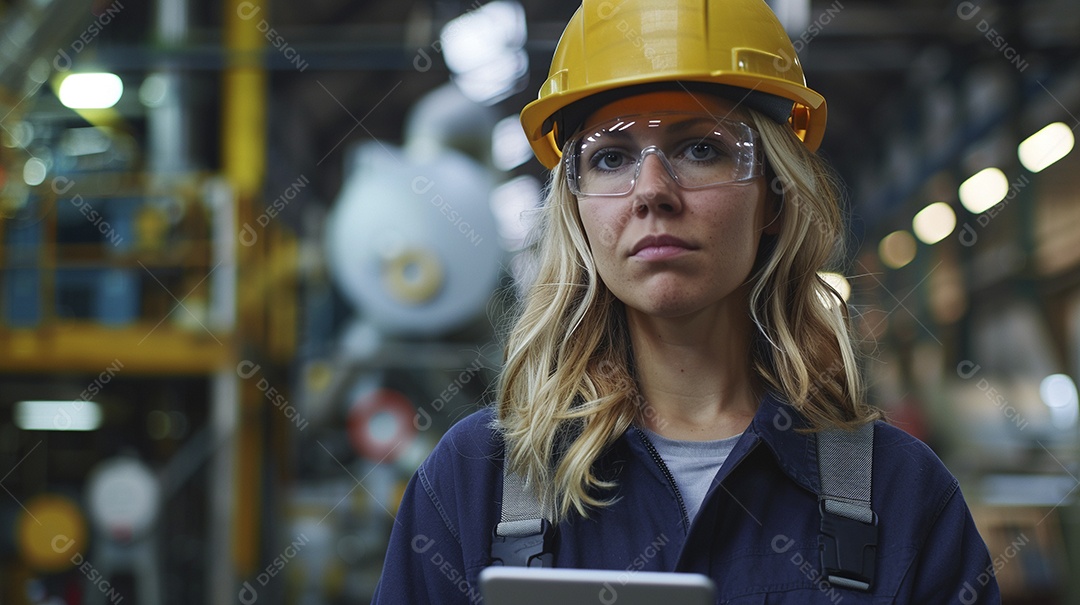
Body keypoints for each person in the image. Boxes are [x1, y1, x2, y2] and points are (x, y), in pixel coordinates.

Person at [373, 0, 1000, 602]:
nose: (651, 192)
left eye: (701, 149)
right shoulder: (473, 484)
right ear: (578, 212)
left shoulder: (902, 496)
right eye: (612, 158)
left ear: (774, 197)